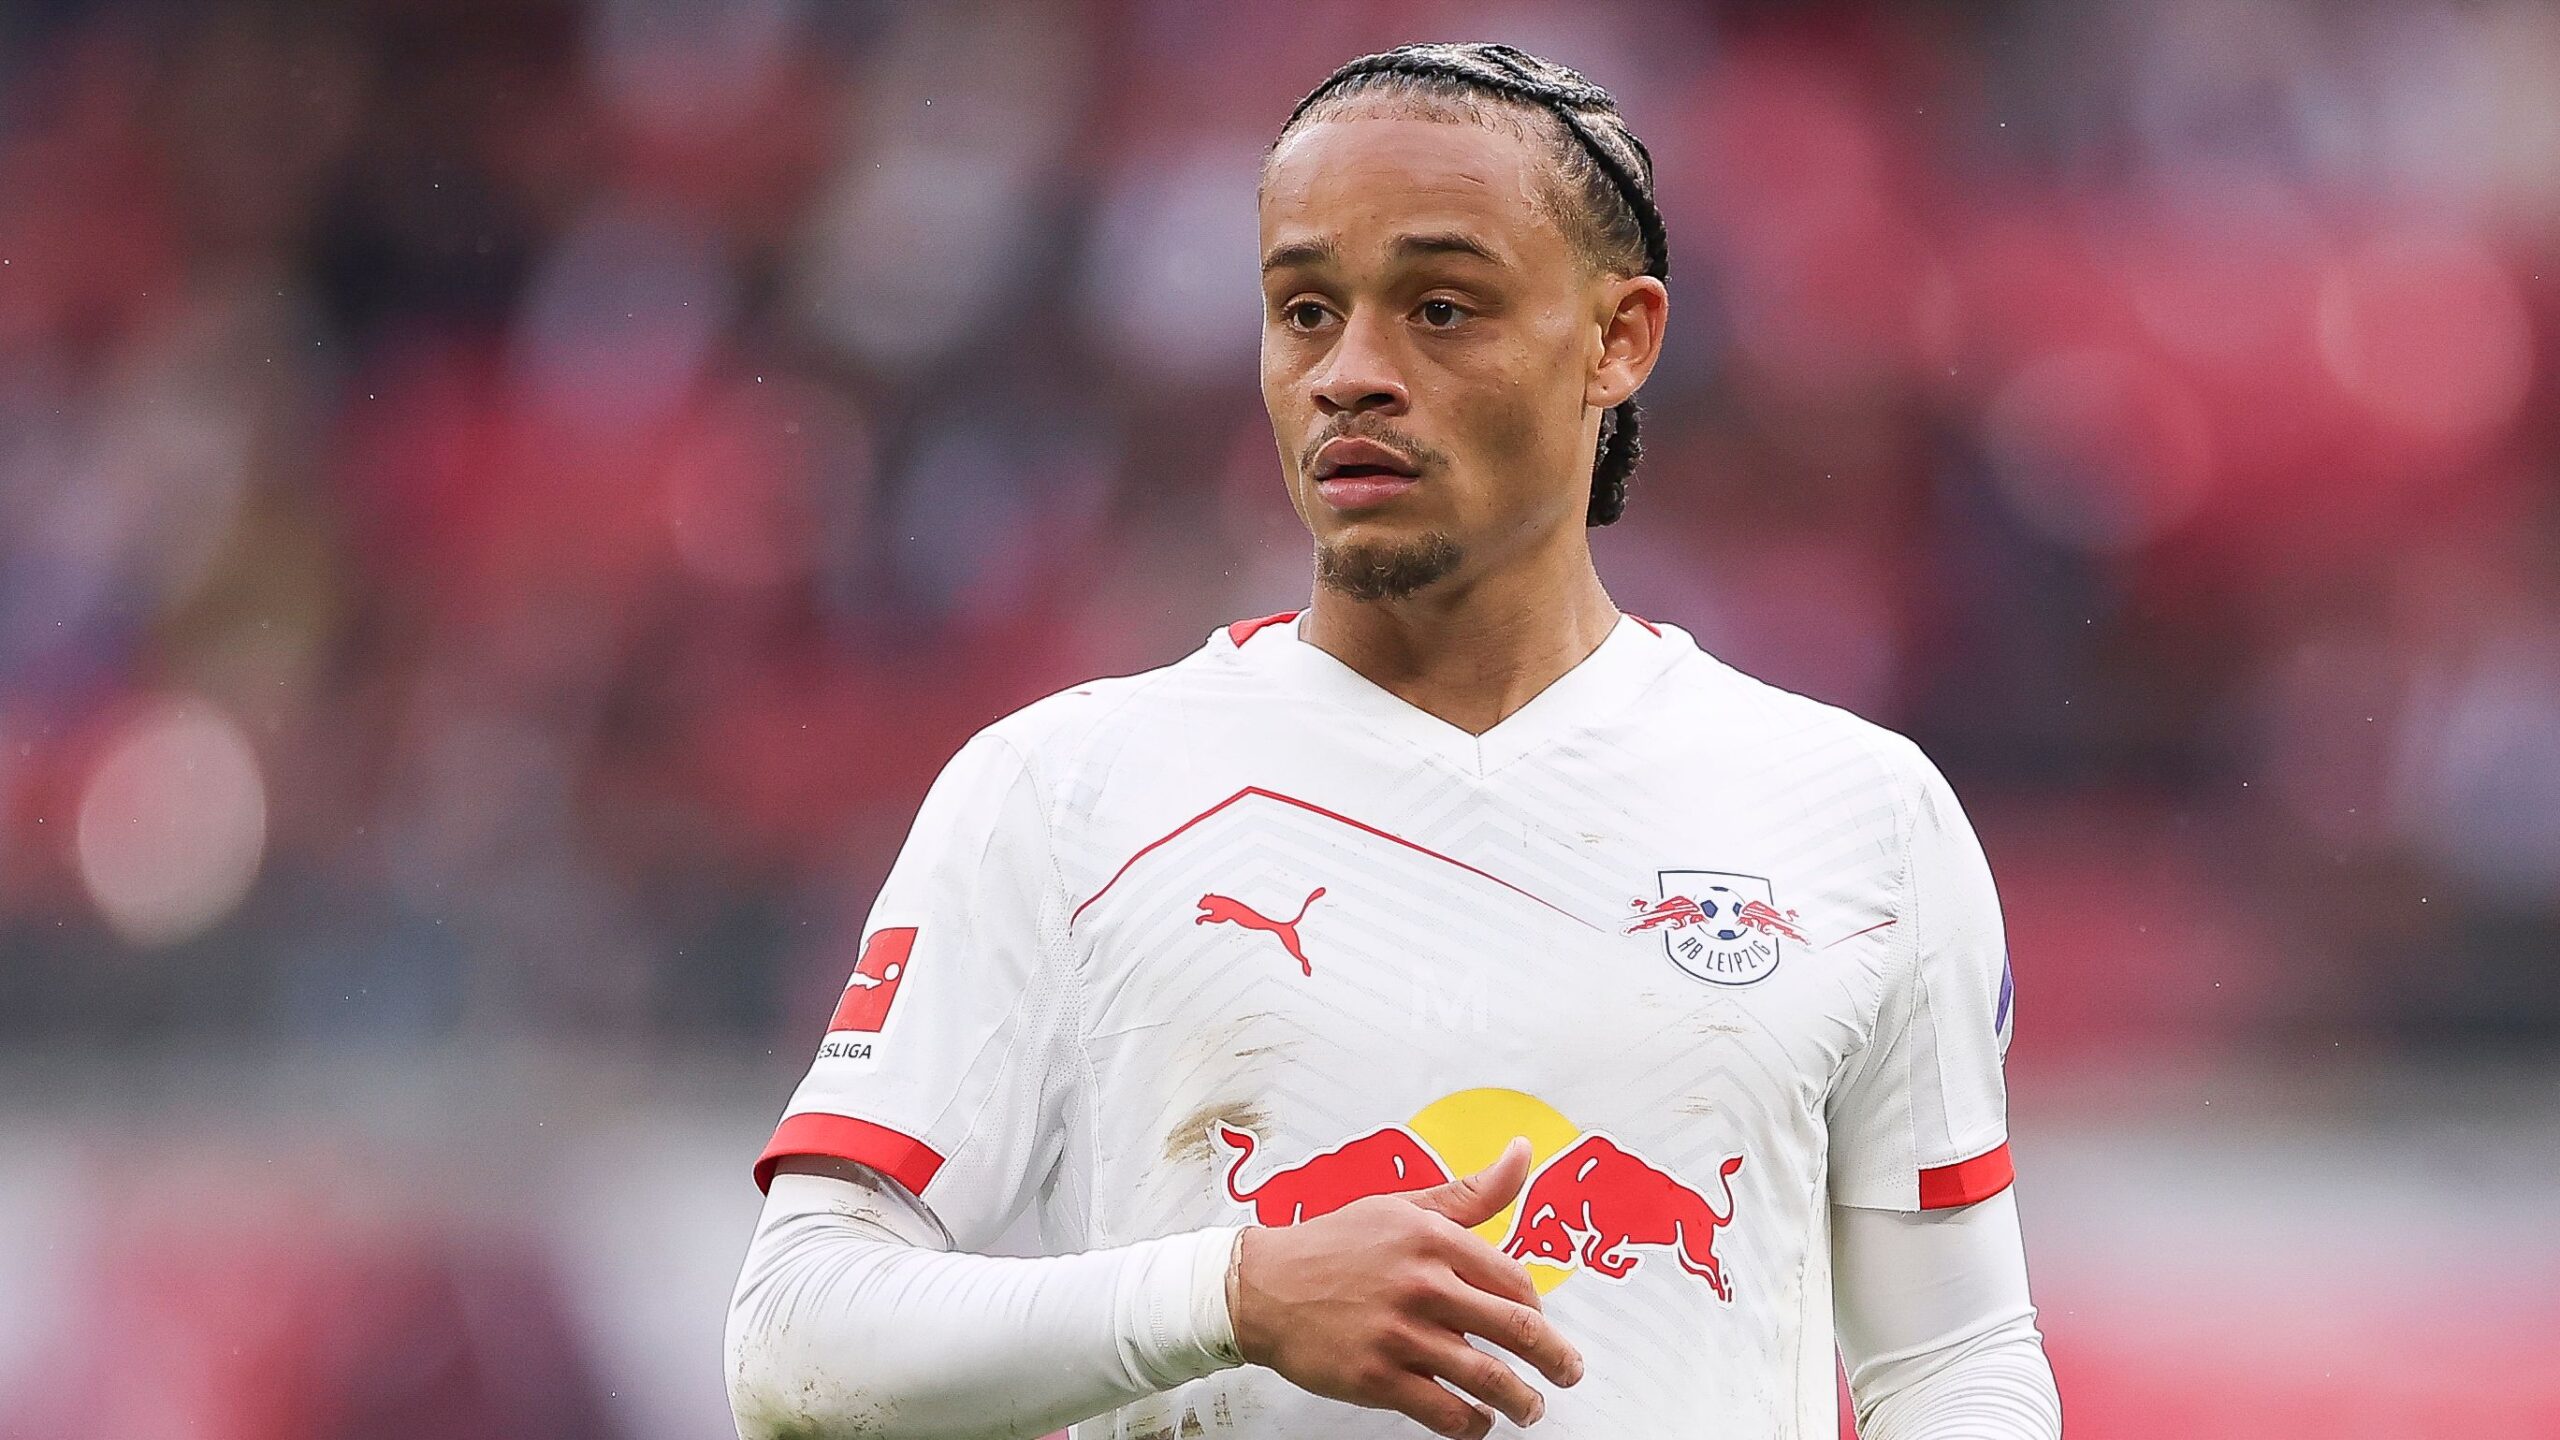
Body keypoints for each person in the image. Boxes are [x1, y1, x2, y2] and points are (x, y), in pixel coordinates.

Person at [726, 42, 2061, 1440]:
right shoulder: (1062, 793)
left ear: (1619, 339)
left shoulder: (1859, 813)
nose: (1351, 374)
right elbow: (795, 1338)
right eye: (1305, 311)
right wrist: (1232, 1297)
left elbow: (1956, 1363)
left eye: (1441, 308)